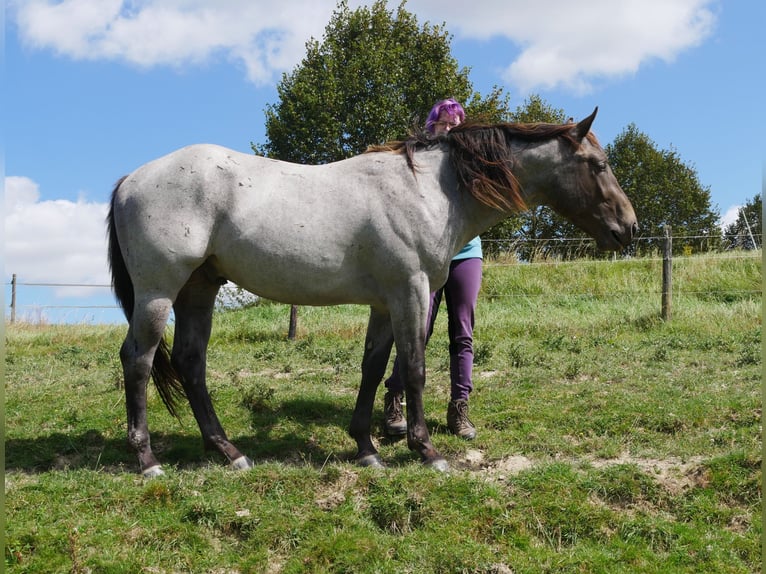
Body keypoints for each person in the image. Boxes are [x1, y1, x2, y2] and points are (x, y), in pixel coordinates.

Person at [383, 98, 482, 440]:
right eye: (444, 123)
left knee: (463, 332)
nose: (450, 129)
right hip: (426, 253)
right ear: (432, 125)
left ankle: (459, 407)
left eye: (456, 124)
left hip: (466, 253)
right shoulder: (418, 163)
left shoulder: (472, 163)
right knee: (416, 330)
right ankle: (395, 398)